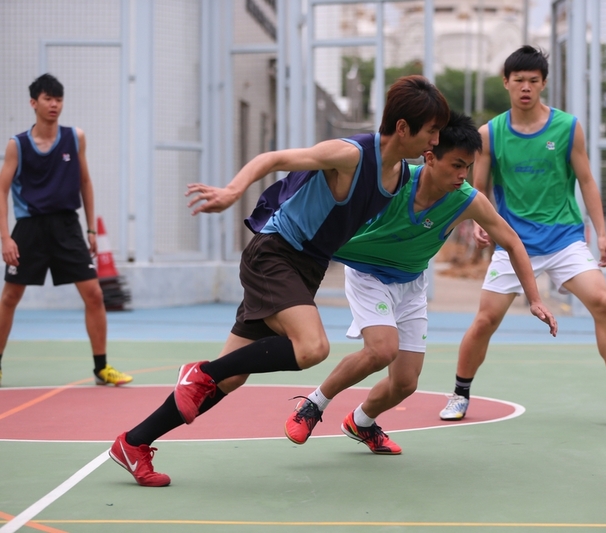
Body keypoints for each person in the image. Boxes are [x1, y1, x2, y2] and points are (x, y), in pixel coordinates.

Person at [109, 75, 450, 487]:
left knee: (230, 377)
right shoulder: (350, 155)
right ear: (403, 127)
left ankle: (134, 442)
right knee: (312, 347)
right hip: (276, 253)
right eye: (431, 130)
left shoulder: (400, 176)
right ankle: (200, 372)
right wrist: (232, 192)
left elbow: (442, 192)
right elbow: (272, 159)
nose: (435, 140)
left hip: (306, 267)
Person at [282, 112, 557, 455]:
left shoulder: (467, 199)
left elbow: (513, 241)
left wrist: (535, 299)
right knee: (382, 350)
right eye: (456, 165)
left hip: (411, 283)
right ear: (429, 157)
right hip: (368, 274)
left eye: (467, 167)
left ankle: (361, 422)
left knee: (405, 383)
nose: (462, 175)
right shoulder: (394, 183)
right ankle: (313, 405)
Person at [438, 46, 606, 424]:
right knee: (485, 320)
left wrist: (601, 233)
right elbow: (478, 187)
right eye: (518, 80)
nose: (525, 87)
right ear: (506, 82)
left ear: (543, 83)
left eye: (533, 81)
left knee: (603, 302)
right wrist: (478, 223)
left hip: (564, 239)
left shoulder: (567, 127)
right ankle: (459, 394)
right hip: (514, 242)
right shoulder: (491, 133)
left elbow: (587, 181)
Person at [0, 73, 132, 388]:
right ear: (33, 103)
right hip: (30, 227)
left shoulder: (75, 137)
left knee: (94, 294)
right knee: (10, 297)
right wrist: (5, 237)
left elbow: (85, 181)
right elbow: (2, 190)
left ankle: (101, 367)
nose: (54, 105)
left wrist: (91, 229)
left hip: (67, 227)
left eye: (58, 99)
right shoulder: (17, 145)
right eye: (48, 98)